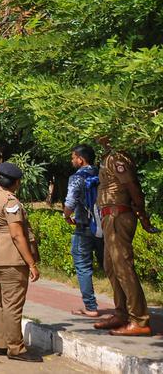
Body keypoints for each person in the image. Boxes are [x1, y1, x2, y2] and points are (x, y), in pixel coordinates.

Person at [0, 161, 41, 361]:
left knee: (4, 302)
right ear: (17, 182)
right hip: (12, 257)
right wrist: (31, 264)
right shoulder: (11, 202)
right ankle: (16, 348)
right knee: (13, 304)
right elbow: (17, 235)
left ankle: (1, 344)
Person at [92, 136, 158, 336]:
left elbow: (133, 188)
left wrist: (143, 214)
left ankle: (139, 319)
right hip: (109, 217)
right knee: (111, 266)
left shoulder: (117, 157)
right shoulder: (108, 157)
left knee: (123, 268)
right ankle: (121, 313)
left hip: (118, 215)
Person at [62, 144, 101, 317]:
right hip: (102, 226)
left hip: (84, 227)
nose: (72, 160)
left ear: (80, 159)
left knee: (83, 266)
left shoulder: (77, 178)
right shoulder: (101, 174)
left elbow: (70, 203)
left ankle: (91, 307)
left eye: (73, 157)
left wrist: (66, 216)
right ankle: (124, 307)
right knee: (111, 267)